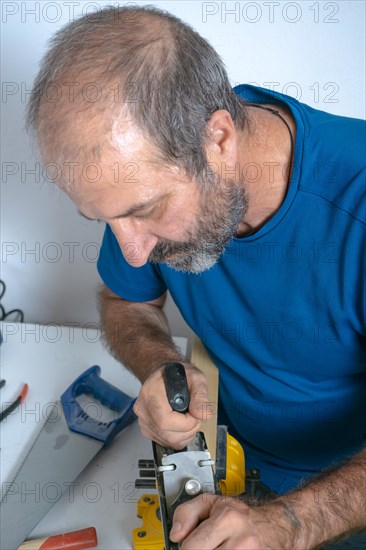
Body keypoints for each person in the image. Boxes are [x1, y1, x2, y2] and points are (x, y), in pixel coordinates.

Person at [26, 5, 365, 549]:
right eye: (107, 221)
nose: (133, 251)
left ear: (220, 141)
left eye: (145, 209)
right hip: (239, 463)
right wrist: (161, 364)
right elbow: (124, 299)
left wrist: (296, 522)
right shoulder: (143, 180)